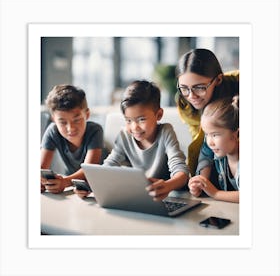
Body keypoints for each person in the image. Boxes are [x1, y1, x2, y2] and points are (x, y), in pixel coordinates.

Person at [75, 80, 189, 200]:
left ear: (158, 115)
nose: (134, 127)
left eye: (141, 119)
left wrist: (167, 186)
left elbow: (181, 172)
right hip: (140, 196)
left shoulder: (166, 131)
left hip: (169, 196)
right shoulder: (124, 135)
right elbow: (108, 167)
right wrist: (89, 186)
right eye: (128, 120)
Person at [175, 48, 239, 179]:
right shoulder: (186, 104)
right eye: (184, 88)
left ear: (218, 80)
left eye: (199, 87)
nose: (192, 96)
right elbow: (201, 143)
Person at [40, 84, 103, 193]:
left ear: (87, 115)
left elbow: (89, 170)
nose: (71, 128)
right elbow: (41, 167)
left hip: (97, 185)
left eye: (77, 120)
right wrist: (41, 181)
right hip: (74, 189)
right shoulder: (52, 131)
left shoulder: (95, 130)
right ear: (54, 119)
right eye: (63, 122)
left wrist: (65, 182)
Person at [188, 96, 239, 203]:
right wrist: (199, 186)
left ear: (237, 134)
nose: (210, 142)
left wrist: (215, 193)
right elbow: (205, 150)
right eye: (207, 135)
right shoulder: (221, 155)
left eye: (215, 135)